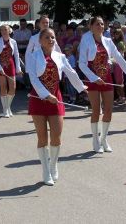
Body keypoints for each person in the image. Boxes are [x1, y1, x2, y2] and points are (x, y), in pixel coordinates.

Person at [28, 28, 87, 185]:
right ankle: (45, 170)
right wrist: (45, 95)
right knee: (42, 137)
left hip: (57, 99)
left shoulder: (60, 57)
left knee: (56, 136)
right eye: (47, 37)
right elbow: (33, 79)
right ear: (40, 41)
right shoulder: (33, 56)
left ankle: (53, 165)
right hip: (38, 99)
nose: (51, 40)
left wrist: (82, 88)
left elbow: (71, 72)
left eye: (53, 37)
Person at [79, 17, 126, 153]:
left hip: (107, 77)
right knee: (96, 110)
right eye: (97, 24)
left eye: (102, 24)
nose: (100, 26)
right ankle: (95, 140)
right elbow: (82, 63)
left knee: (109, 110)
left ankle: (104, 139)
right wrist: (94, 78)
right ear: (91, 26)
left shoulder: (108, 41)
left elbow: (119, 58)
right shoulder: (86, 40)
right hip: (92, 78)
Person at [0, 25, 22, 117]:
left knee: (13, 87)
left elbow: (17, 55)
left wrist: (18, 68)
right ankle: (5, 110)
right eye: (2, 30)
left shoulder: (13, 42)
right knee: (3, 87)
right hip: (0, 65)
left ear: (9, 31)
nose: (4, 31)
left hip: (10, 65)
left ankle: (8, 107)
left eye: (5, 29)